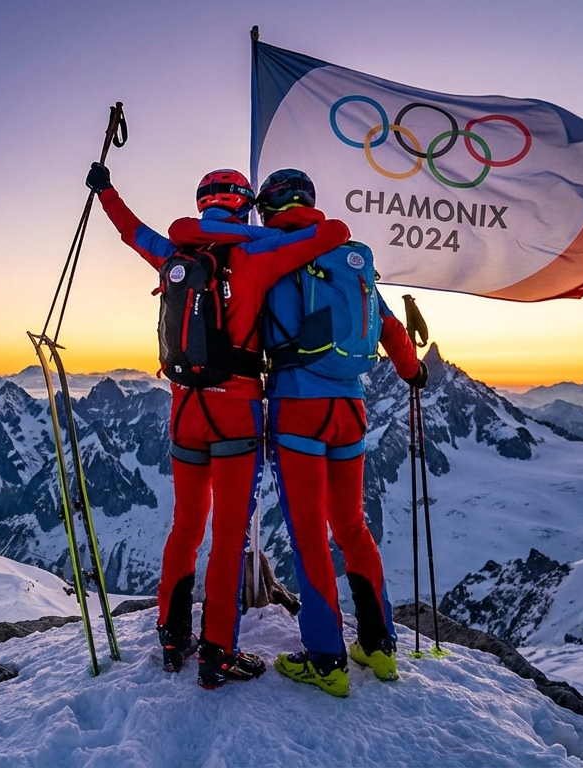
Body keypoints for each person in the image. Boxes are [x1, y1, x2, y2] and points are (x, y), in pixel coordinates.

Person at [85, 162, 351, 688]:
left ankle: (171, 635)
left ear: (204, 201)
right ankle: (218, 653)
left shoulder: (175, 252)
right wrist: (265, 230)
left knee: (185, 527)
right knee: (228, 537)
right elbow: (334, 235)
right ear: (244, 205)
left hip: (184, 406)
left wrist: (106, 189)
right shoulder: (258, 252)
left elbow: (130, 230)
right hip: (237, 409)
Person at [255, 168, 427, 697]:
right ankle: (379, 645)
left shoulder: (274, 249)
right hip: (350, 409)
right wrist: (412, 371)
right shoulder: (350, 258)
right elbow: (390, 329)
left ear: (269, 208)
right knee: (352, 526)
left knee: (309, 536)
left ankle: (327, 659)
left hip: (298, 411)